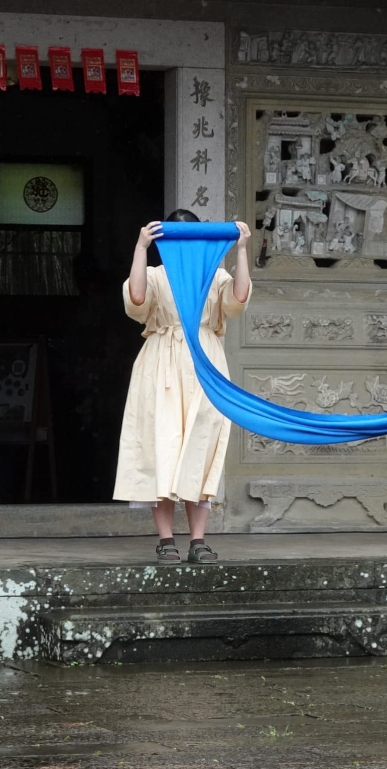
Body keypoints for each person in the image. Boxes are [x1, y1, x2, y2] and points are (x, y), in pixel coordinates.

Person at [113, 209, 252, 565]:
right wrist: (141, 248)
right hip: (161, 364)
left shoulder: (214, 276)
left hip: (204, 364)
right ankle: (165, 540)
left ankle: (198, 540)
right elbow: (137, 300)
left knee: (200, 448)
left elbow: (236, 303)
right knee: (163, 448)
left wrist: (240, 249)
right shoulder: (157, 275)